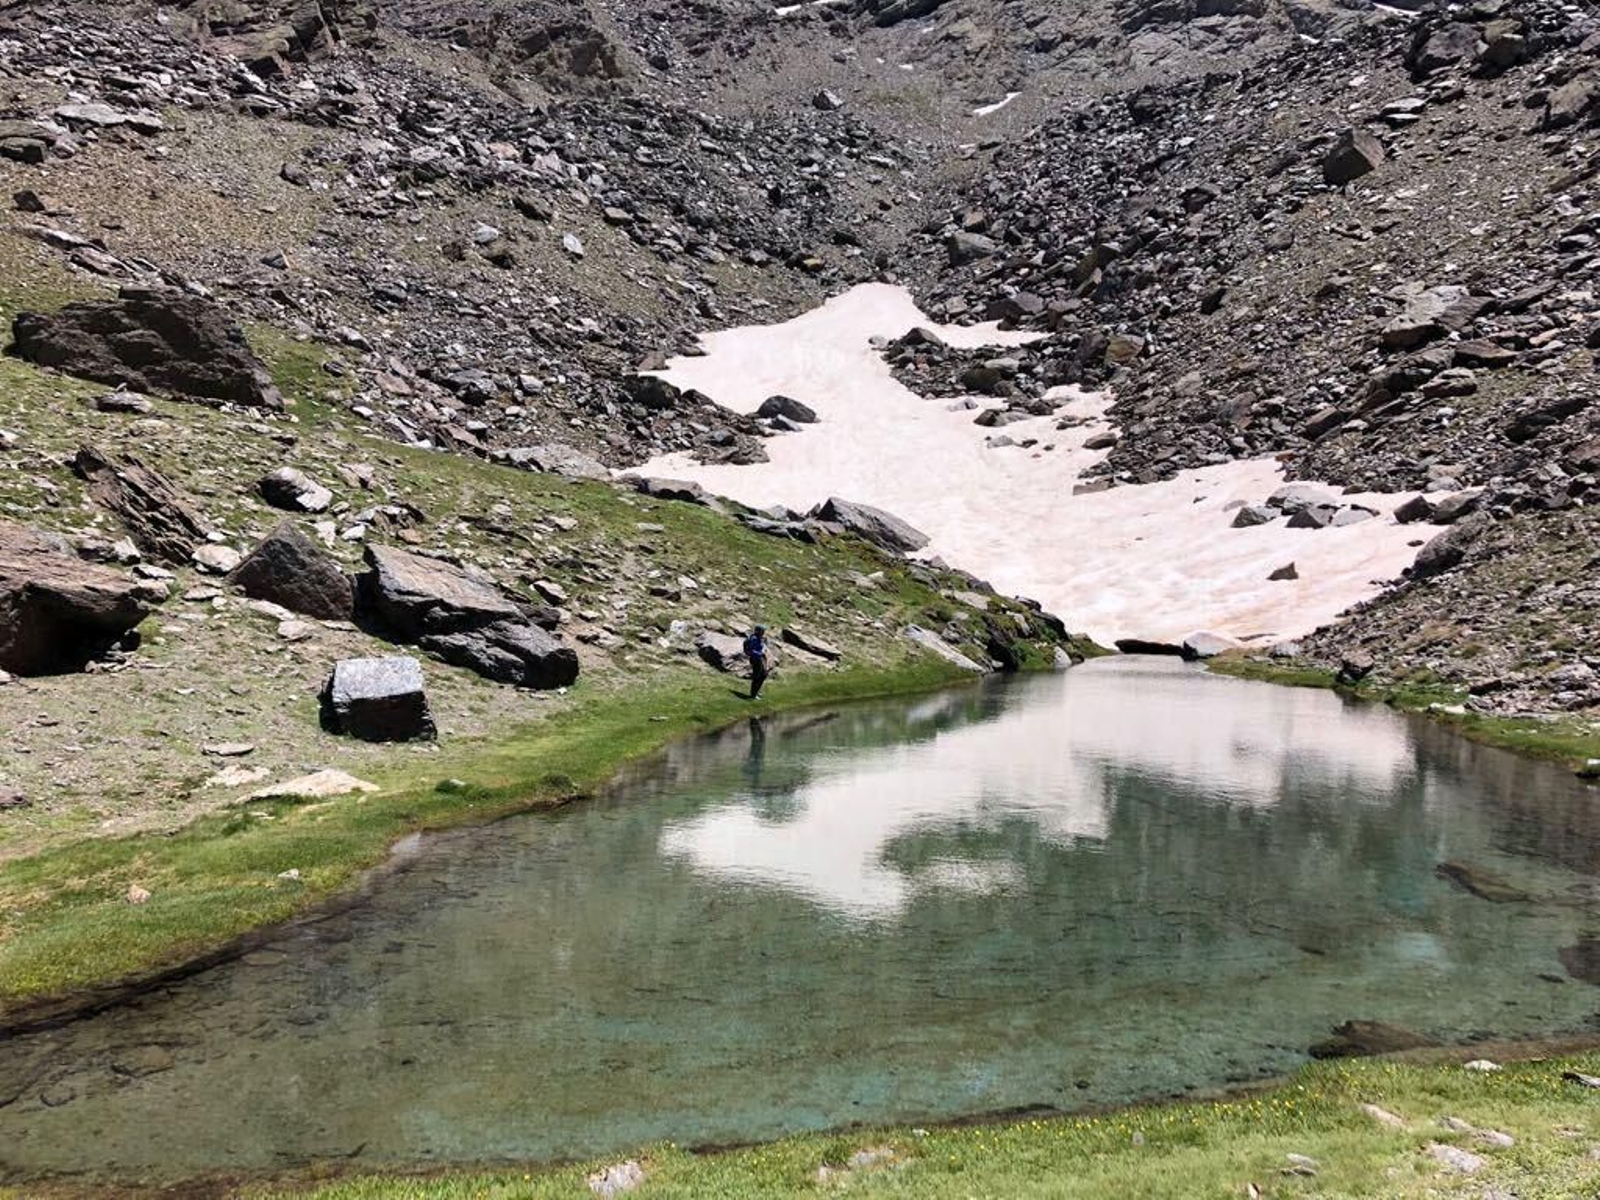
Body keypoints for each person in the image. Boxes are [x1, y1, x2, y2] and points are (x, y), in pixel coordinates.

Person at [744, 625, 771, 699]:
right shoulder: (754, 638)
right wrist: (760, 653)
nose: (764, 632)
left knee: (763, 675)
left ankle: (756, 691)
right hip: (755, 659)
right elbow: (752, 650)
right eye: (762, 631)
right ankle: (753, 694)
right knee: (757, 676)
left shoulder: (758, 638)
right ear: (758, 631)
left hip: (759, 659)